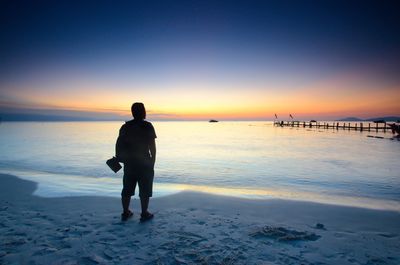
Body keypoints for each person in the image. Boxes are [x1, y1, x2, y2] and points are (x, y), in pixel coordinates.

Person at [116, 103, 157, 221]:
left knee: (127, 188)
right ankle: (144, 213)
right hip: (144, 162)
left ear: (132, 112)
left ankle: (125, 212)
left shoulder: (126, 127)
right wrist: (152, 161)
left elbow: (119, 144)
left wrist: (120, 158)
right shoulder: (147, 126)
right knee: (145, 189)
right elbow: (152, 147)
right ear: (143, 112)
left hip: (129, 162)